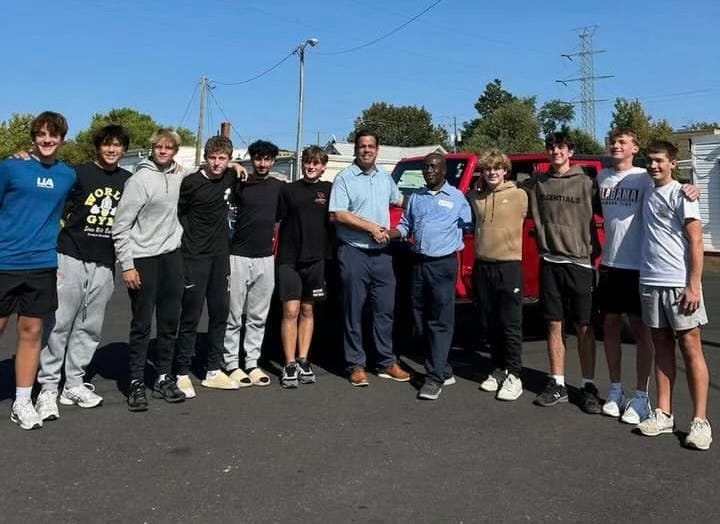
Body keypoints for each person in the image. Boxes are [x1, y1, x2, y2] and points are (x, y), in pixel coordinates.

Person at [34, 125, 131, 421]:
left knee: (91, 326)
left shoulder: (129, 180)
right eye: (106, 145)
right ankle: (48, 387)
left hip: (105, 261)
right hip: (71, 254)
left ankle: (74, 382)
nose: (111, 150)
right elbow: (52, 194)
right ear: (98, 147)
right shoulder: (77, 173)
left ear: (124, 149)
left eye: (117, 146)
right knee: (60, 322)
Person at [0, 111, 76, 430]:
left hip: (42, 264)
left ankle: (22, 401)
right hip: (5, 262)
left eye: (53, 135)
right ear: (34, 137)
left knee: (32, 333)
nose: (47, 140)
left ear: (62, 139)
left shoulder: (67, 176)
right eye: (42, 134)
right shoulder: (11, 167)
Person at [636, 140, 712, 451]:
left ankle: (700, 422)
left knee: (691, 347)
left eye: (659, 161)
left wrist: (693, 285)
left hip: (679, 284)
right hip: (650, 281)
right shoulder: (646, 188)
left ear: (672, 163)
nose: (653, 165)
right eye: (650, 161)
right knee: (661, 345)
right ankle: (664, 413)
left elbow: (696, 242)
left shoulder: (683, 194)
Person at [525, 132, 602, 414]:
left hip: (580, 263)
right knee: (554, 324)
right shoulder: (538, 184)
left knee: (584, 326)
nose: (555, 151)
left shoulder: (587, 183)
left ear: (570, 151)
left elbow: (619, 207)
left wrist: (686, 189)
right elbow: (499, 186)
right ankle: (557, 383)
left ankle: (588, 385)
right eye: (551, 147)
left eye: (561, 147)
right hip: (550, 261)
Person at [112, 129, 187, 411]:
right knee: (142, 324)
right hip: (143, 258)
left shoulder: (179, 175)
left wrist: (237, 166)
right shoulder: (139, 180)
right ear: (152, 148)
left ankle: (163, 377)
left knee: (169, 322)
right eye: (158, 146)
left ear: (175, 151)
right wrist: (127, 266)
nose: (163, 151)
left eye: (168, 147)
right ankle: (134, 381)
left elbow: (208, 173)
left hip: (171, 256)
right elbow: (120, 227)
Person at [328, 129, 410, 387]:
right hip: (354, 251)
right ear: (356, 149)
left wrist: (427, 202)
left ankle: (385, 361)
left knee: (384, 310)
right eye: (362, 146)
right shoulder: (344, 178)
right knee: (354, 311)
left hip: (382, 255)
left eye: (371, 146)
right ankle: (356, 365)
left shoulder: (385, 178)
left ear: (378, 149)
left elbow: (400, 201)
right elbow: (339, 214)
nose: (366, 150)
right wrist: (371, 228)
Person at [388, 153, 470, 399]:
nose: (429, 171)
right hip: (418, 264)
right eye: (426, 168)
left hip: (443, 265)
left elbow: (469, 225)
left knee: (440, 320)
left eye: (434, 167)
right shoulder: (416, 199)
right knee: (418, 318)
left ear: (444, 170)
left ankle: (433, 378)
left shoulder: (457, 198)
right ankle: (443, 367)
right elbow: (405, 226)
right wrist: (387, 233)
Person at [173, 136, 246, 397]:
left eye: (222, 159)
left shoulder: (230, 176)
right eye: (212, 158)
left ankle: (213, 371)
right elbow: (178, 213)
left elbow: (237, 169)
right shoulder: (191, 183)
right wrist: (185, 241)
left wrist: (236, 165)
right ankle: (181, 371)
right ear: (206, 157)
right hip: (194, 256)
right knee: (191, 315)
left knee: (220, 313)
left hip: (220, 256)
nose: (217, 163)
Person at [223, 140, 284, 387]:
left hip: (265, 257)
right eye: (258, 158)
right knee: (234, 314)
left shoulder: (279, 187)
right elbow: (215, 169)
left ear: (273, 161)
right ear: (252, 159)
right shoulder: (239, 181)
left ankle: (252, 362)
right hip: (237, 255)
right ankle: (230, 364)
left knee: (258, 315)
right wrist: (235, 164)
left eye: (267, 159)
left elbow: (280, 217)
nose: (262, 163)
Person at [469, 150, 527, 401]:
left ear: (505, 171)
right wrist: (476, 186)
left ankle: (515, 374)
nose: (492, 172)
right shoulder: (476, 196)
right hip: (483, 266)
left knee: (510, 323)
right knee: (489, 322)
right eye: (487, 169)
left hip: (509, 266)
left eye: (497, 168)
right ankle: (500, 368)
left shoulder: (519, 195)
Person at [276, 146, 333, 388]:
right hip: (289, 258)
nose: (311, 167)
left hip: (316, 259)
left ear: (323, 167)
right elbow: (276, 221)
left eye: (316, 163)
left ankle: (303, 359)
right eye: (308, 163)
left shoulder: (329, 190)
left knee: (308, 312)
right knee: (290, 311)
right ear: (302, 164)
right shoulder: (287, 190)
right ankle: (289, 363)